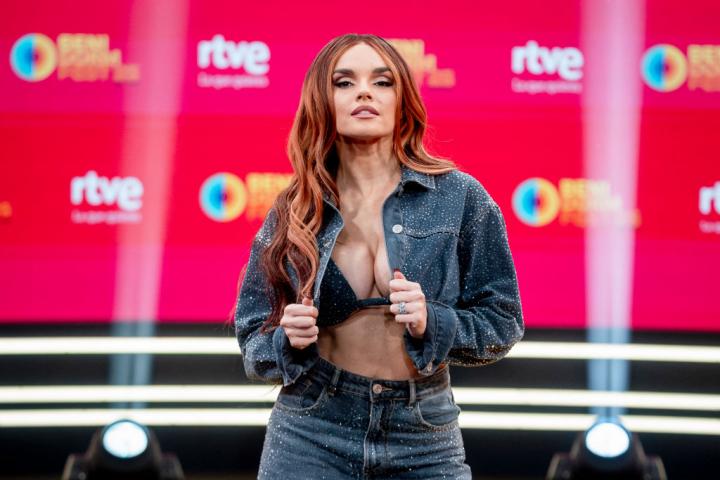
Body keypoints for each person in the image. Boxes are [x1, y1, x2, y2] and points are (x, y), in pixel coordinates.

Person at [234, 33, 524, 479]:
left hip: (423, 431)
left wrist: (434, 322)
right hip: (312, 424)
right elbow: (253, 337)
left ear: (402, 100)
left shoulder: (461, 196)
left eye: (382, 82)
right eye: (344, 82)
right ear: (322, 100)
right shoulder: (296, 208)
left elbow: (502, 323)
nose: (364, 92)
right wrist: (285, 338)